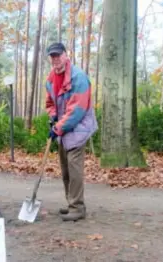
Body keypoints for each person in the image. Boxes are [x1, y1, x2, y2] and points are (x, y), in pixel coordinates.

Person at [45, 42, 98, 222]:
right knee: (65, 169)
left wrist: (58, 128)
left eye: (58, 55)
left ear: (66, 55)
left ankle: (78, 207)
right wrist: (52, 117)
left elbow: (77, 110)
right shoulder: (51, 79)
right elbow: (50, 103)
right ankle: (71, 203)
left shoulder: (78, 77)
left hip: (79, 127)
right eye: (52, 56)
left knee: (74, 169)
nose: (56, 59)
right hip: (63, 128)